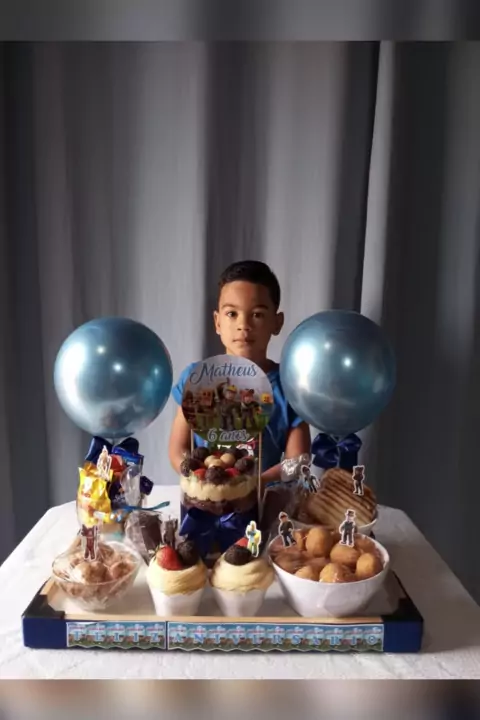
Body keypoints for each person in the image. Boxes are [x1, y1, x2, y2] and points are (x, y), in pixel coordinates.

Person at [168, 260, 311, 486]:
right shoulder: (196, 379)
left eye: (257, 314)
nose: (243, 325)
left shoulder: (289, 386)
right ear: (217, 322)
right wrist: (196, 475)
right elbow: (178, 448)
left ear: (277, 322)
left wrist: (253, 485)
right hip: (203, 499)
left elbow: (298, 459)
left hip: (264, 503)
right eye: (232, 313)